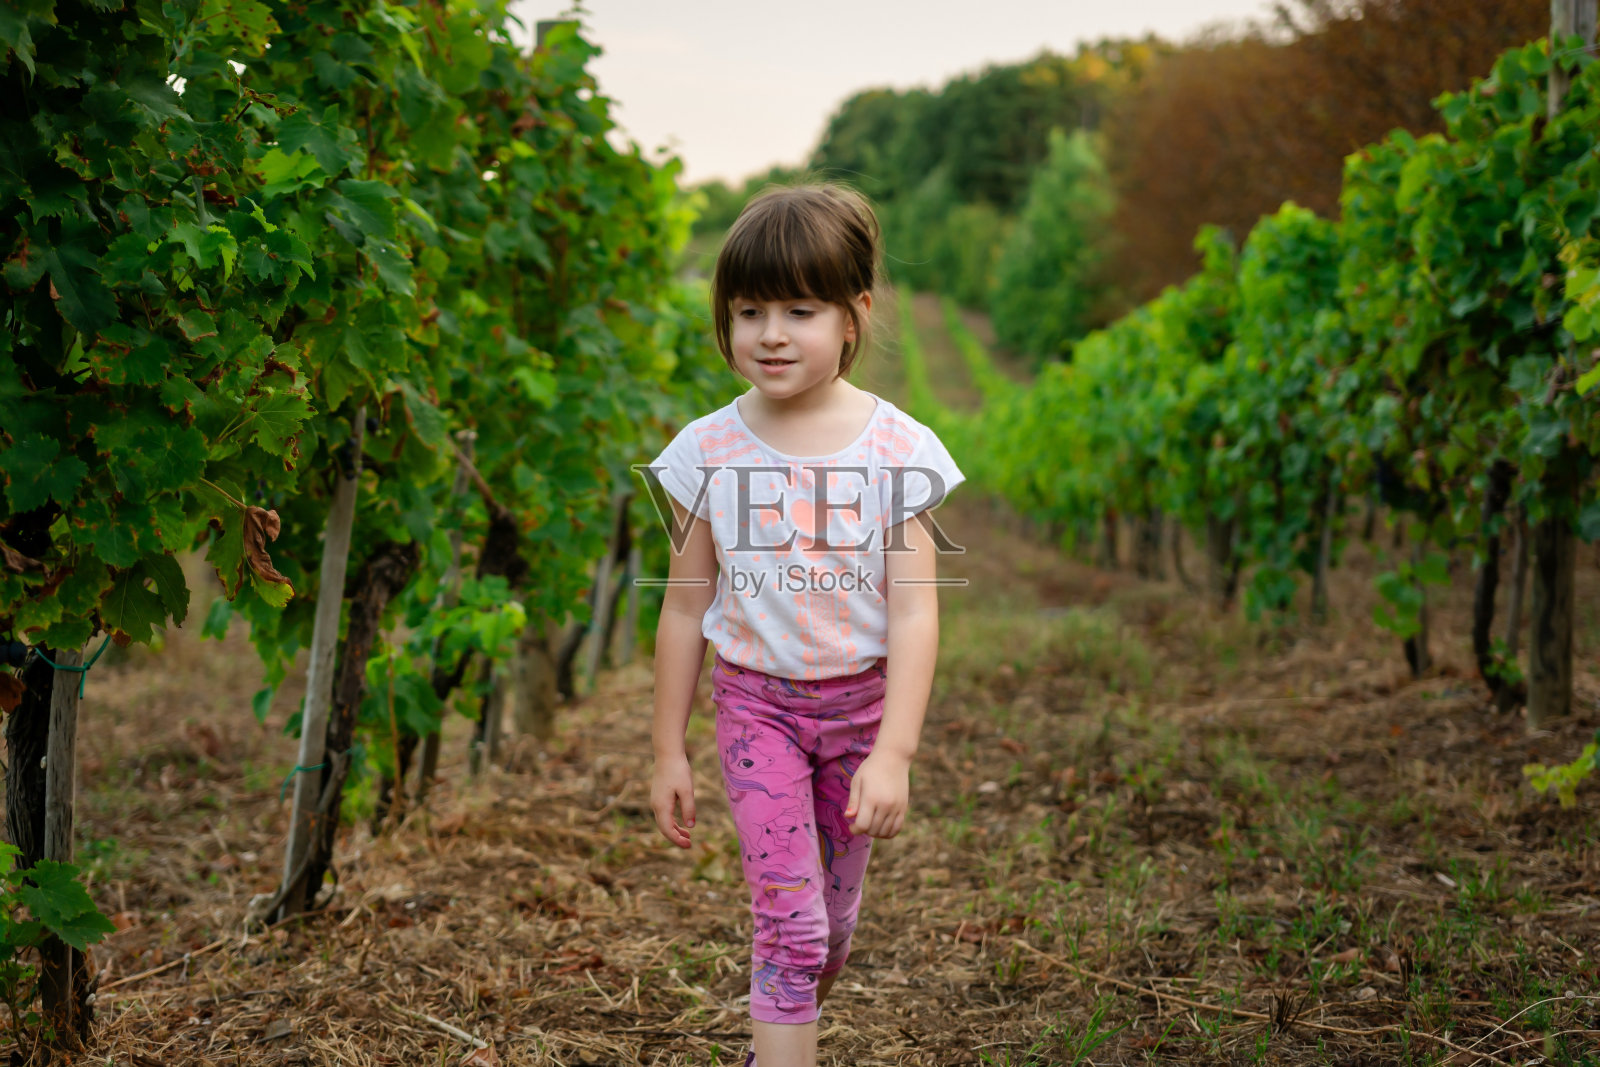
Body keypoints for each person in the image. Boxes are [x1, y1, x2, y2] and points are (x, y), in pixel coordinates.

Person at [645, 183, 964, 1067]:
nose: (771, 333)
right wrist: (668, 747)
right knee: (790, 924)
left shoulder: (899, 449)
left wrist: (895, 749)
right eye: (749, 310)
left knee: (831, 929)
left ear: (854, 315)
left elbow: (915, 605)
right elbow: (683, 606)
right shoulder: (706, 450)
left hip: (862, 714)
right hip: (759, 712)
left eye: (799, 308)